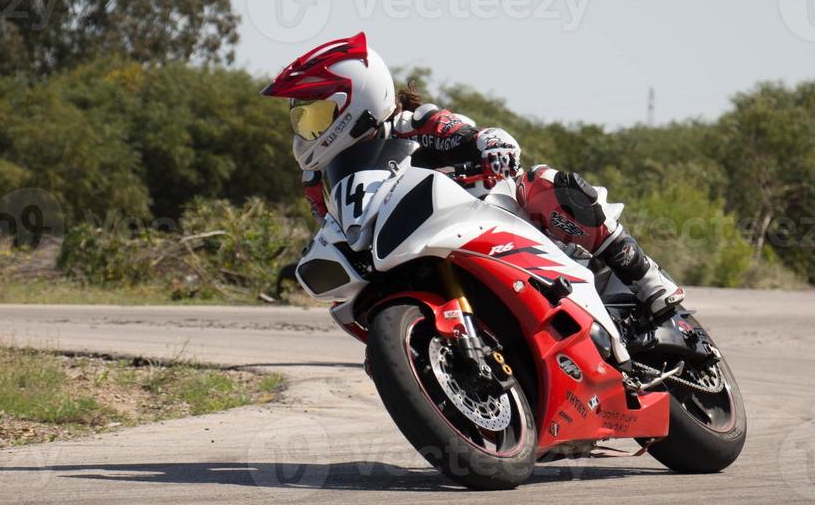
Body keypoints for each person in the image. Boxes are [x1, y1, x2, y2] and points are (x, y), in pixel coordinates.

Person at [262, 32, 684, 315]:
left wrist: (491, 145)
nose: (309, 132)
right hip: (415, 256)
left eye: (317, 116)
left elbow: (469, 135)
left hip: (487, 218)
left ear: (360, 98)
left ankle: (645, 277)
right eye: (303, 120)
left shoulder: (415, 121)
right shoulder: (319, 182)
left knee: (544, 184)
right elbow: (335, 226)